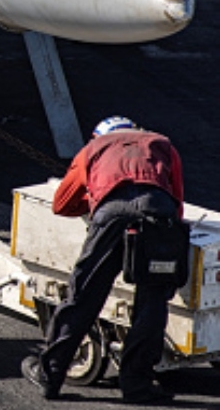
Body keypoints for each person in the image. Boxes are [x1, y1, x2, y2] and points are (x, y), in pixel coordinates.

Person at [20, 115, 186, 403]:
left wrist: (97, 197)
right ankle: (137, 386)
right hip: (158, 212)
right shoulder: (161, 143)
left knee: (84, 296)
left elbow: (62, 203)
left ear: (99, 135)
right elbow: (177, 200)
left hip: (111, 212)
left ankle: (51, 376)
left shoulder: (94, 148)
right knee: (153, 303)